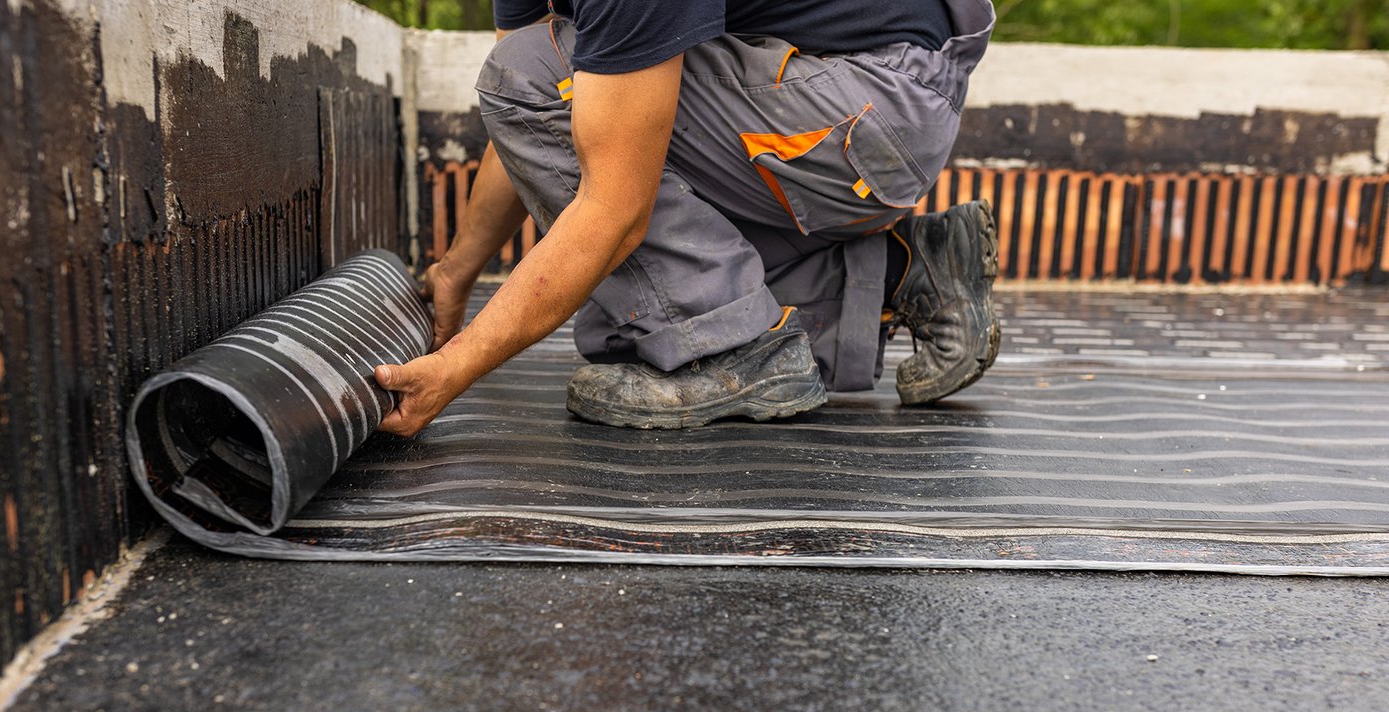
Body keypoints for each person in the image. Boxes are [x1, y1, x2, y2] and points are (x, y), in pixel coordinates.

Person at [374, 0, 1000, 435]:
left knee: (658, 305)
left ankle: (735, 355)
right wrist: (456, 272)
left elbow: (604, 194)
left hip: (867, 105)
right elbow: (535, 116)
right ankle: (907, 272)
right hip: (849, 103)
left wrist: (456, 366)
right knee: (626, 327)